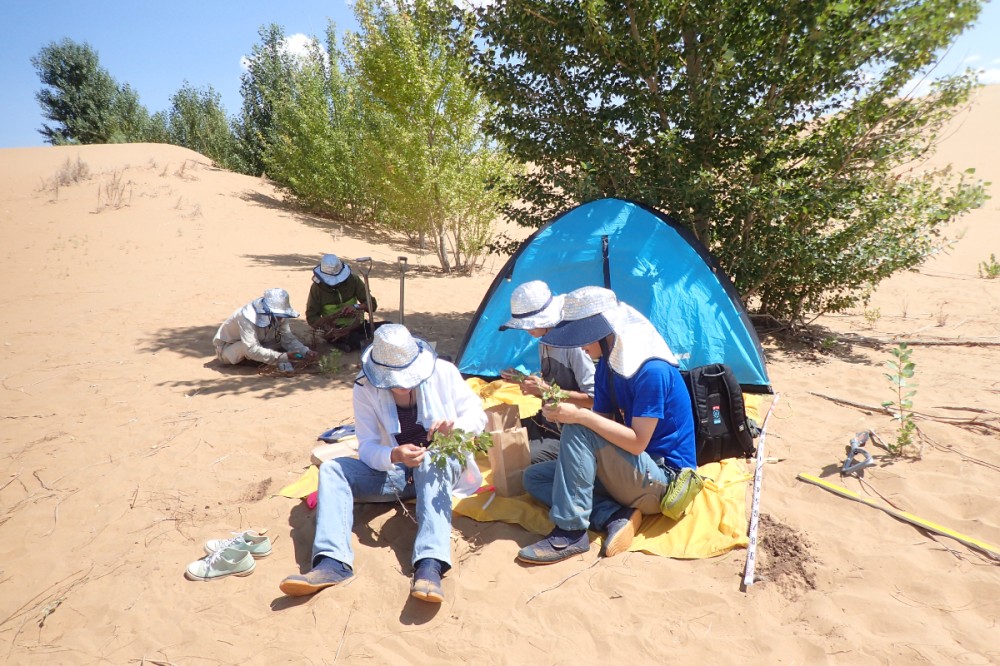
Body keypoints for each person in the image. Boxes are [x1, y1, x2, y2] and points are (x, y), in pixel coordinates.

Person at [279, 324, 487, 603]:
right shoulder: (364, 386)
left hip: (440, 467)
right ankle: (332, 562)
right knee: (332, 469)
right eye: (392, 379)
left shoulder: (444, 373)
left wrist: (455, 427)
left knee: (430, 460)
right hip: (397, 472)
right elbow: (367, 446)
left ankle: (430, 564)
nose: (401, 385)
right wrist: (394, 455)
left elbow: (478, 416)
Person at [516, 286, 696, 564]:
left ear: (602, 333)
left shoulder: (652, 371)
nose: (581, 347)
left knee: (579, 425)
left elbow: (637, 443)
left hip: (662, 481)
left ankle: (570, 532)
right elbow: (604, 426)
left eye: (583, 338)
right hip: (631, 471)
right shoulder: (607, 365)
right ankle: (615, 515)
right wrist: (568, 415)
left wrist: (579, 416)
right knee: (534, 478)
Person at [498, 280, 595, 463]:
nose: (527, 329)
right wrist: (525, 381)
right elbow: (550, 388)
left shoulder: (575, 348)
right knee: (498, 436)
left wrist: (546, 390)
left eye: (531, 324)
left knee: (519, 457)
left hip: (571, 432)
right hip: (548, 420)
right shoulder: (544, 341)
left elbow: (593, 399)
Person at [213, 288, 316, 372]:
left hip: (260, 343)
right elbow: (252, 349)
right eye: (278, 315)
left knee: (283, 341)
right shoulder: (246, 316)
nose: (281, 318)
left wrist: (305, 351)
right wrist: (282, 357)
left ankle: (265, 358)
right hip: (228, 350)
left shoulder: (281, 316)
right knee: (248, 348)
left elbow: (288, 338)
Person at [305, 254, 378, 352]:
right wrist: (328, 328)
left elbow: (372, 304)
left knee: (385, 328)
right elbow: (311, 317)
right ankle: (344, 342)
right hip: (335, 332)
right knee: (357, 339)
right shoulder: (316, 288)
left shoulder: (353, 280)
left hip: (358, 325)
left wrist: (355, 306)